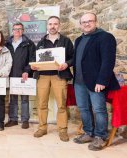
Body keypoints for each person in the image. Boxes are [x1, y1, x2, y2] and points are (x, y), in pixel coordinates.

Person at [73, 13, 120, 151]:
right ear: (80, 24)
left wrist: (102, 80)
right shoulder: (78, 39)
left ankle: (100, 136)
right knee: (83, 108)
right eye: (84, 22)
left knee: (99, 109)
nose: (87, 24)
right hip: (79, 81)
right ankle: (88, 132)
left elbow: (108, 61)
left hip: (96, 82)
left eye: (90, 21)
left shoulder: (105, 37)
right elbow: (77, 59)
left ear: (95, 22)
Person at [31, 16, 74, 142]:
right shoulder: (41, 42)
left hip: (59, 76)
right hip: (43, 76)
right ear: (47, 26)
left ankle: (62, 130)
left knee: (61, 104)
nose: (52, 26)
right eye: (50, 24)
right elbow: (35, 58)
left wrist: (66, 64)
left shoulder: (66, 41)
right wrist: (34, 65)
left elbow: (73, 57)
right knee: (41, 104)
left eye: (55, 24)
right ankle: (42, 128)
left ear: (59, 25)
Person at [5, 22, 36, 129]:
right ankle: (13, 119)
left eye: (19, 29)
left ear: (23, 30)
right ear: (12, 31)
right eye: (15, 29)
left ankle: (25, 120)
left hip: (24, 75)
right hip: (11, 74)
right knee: (12, 99)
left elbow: (33, 59)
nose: (17, 31)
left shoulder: (29, 43)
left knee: (24, 99)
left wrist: (27, 70)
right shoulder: (7, 43)